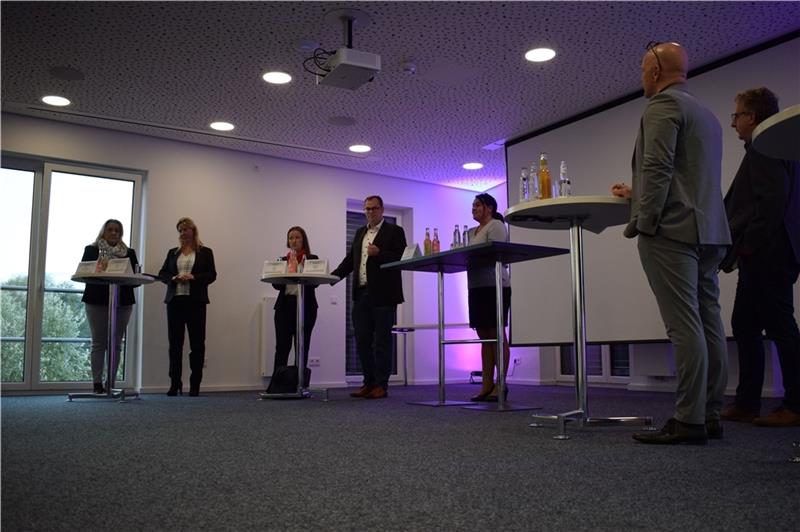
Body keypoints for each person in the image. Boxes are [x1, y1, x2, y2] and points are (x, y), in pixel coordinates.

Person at [612, 42, 730, 445]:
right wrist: (637, 192)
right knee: (709, 322)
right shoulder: (708, 116)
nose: (642, 77)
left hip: (674, 232)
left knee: (684, 325)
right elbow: (686, 176)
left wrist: (643, 224)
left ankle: (688, 420)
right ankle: (710, 413)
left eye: (644, 70)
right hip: (711, 232)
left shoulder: (661, 107)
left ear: (658, 71)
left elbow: (658, 167)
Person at [719, 87, 800, 427]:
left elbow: (771, 201)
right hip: (765, 252)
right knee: (746, 325)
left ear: (751, 117)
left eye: (736, 115)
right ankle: (748, 401)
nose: (734, 122)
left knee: (781, 327)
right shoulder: (770, 147)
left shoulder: (765, 147)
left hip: (768, 252)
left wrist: (749, 244)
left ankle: (795, 405)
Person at [332, 195, 406, 399]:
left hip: (384, 296)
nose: (370, 212)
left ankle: (381, 385)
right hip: (361, 294)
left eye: (374, 209)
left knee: (382, 342)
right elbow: (350, 260)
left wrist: (380, 253)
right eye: (367, 209)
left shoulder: (394, 231)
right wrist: (333, 277)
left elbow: (402, 257)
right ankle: (368, 382)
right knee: (362, 340)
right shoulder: (359, 232)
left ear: (382, 210)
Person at [158, 217, 217, 397]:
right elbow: (163, 274)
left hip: (196, 302)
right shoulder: (172, 252)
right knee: (175, 345)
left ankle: (194, 385)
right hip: (175, 301)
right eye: (180, 230)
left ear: (193, 231)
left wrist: (194, 278)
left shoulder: (205, 252)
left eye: (186, 229)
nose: (183, 233)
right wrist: (173, 279)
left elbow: (212, 274)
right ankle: (175, 383)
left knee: (197, 344)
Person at [81, 219, 138, 394]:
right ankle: (97, 384)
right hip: (96, 300)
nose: (114, 233)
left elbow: (134, 276)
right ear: (103, 232)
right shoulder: (91, 250)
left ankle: (110, 383)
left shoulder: (129, 252)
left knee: (116, 343)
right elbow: (85, 272)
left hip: (122, 301)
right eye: (110, 230)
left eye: (117, 231)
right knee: (98, 343)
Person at [466, 193, 511, 402]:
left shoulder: (496, 226)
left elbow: (498, 254)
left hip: (495, 286)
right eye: (473, 205)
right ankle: (486, 384)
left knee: (496, 334)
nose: (474, 208)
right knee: (484, 337)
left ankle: (501, 384)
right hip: (476, 286)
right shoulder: (471, 232)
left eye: (478, 205)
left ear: (489, 208)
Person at [271, 226, 319, 377]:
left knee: (302, 346)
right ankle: (278, 385)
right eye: (291, 238)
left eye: (297, 237)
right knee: (282, 347)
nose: (294, 240)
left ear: (303, 240)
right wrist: (286, 271)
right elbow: (276, 285)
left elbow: (315, 283)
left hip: (306, 306)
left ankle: (298, 384)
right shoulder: (282, 260)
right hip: (285, 307)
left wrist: (303, 271)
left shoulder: (312, 259)